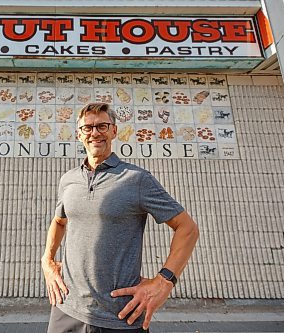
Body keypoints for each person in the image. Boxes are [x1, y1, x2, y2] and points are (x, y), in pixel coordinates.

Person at [41, 102, 199, 332]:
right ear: (79, 134)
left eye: (102, 126)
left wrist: (164, 281)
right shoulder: (68, 180)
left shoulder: (136, 179)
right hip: (66, 308)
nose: (95, 133)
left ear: (114, 131)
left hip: (120, 316)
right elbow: (59, 221)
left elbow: (187, 228)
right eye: (88, 128)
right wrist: (47, 261)